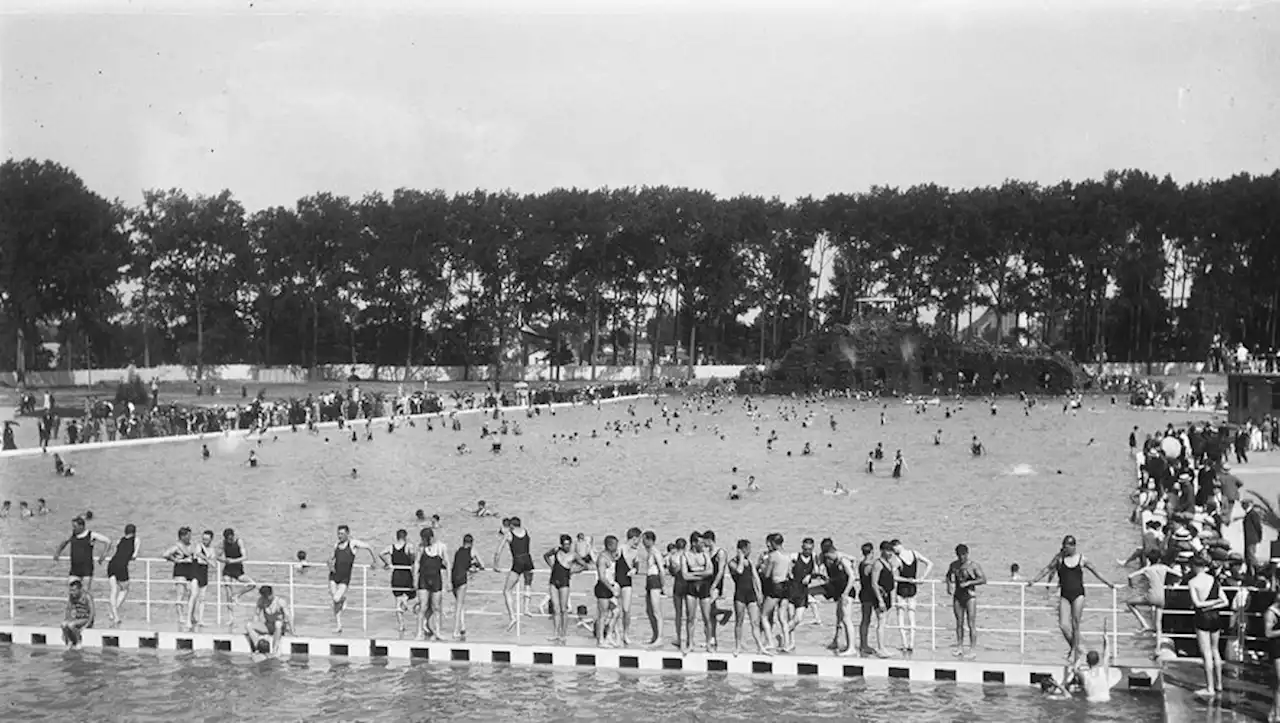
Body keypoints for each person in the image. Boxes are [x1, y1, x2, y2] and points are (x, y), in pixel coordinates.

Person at [1026, 535, 1118, 663]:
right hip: (1064, 594)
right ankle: (1076, 648)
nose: (1065, 549)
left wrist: (1109, 584)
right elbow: (1047, 569)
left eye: (1067, 547)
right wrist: (1034, 581)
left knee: (1075, 625)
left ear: (1073, 546)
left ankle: (1074, 652)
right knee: (1063, 625)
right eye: (1063, 547)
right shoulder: (1059, 559)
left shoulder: (1081, 559)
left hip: (1078, 594)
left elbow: (1096, 571)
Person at [1188, 555, 1228, 698]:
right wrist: (1214, 602)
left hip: (1202, 617)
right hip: (1216, 617)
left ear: (1193, 566)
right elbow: (1225, 601)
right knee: (1215, 650)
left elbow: (1197, 604)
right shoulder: (1213, 580)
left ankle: (1209, 687)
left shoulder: (1193, 582)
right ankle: (1219, 684)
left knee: (1206, 653)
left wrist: (1206, 605)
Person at [328, 525, 378, 634]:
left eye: (341, 533)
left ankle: (343, 599)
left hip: (345, 577)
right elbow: (331, 558)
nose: (339, 536)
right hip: (333, 575)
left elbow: (369, 547)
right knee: (334, 601)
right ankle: (339, 625)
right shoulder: (336, 545)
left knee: (337, 599)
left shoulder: (352, 544)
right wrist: (329, 564)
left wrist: (374, 561)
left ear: (347, 534)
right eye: (338, 533)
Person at [891, 539, 933, 655]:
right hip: (913, 587)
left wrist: (905, 579)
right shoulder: (914, 554)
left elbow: (892, 576)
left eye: (894, 550)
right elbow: (930, 563)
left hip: (901, 589)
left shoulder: (898, 560)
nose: (894, 553)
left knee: (901, 615)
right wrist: (922, 578)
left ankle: (904, 643)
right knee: (911, 615)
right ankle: (912, 644)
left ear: (897, 546)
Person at [728, 538, 770, 656]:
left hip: (751, 594)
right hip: (740, 594)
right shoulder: (732, 563)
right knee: (739, 621)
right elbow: (740, 571)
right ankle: (738, 647)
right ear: (742, 550)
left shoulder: (750, 562)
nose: (750, 551)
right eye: (748, 549)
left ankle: (760, 647)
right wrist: (740, 557)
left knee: (755, 622)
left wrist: (759, 593)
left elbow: (755, 578)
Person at [543, 534, 587, 644]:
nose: (567, 546)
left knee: (564, 609)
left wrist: (574, 571)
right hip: (553, 580)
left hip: (564, 581)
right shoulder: (556, 551)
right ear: (561, 544)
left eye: (568, 544)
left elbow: (584, 565)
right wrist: (551, 565)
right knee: (556, 609)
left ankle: (563, 634)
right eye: (565, 544)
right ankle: (556, 633)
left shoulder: (573, 555)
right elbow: (546, 556)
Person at [945, 543, 986, 658]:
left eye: (963, 555)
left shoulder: (973, 566)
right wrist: (949, 586)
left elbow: (983, 579)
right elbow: (948, 575)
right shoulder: (954, 565)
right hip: (958, 595)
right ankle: (959, 647)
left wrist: (969, 582)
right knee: (959, 623)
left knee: (971, 623)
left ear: (967, 554)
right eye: (959, 555)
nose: (961, 557)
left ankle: (972, 649)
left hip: (970, 596)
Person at [53, 516, 111, 592]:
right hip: (74, 569)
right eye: (73, 526)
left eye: (75, 526)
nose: (73, 528)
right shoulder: (72, 535)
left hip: (86, 569)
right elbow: (64, 543)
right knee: (72, 592)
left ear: (81, 526)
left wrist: (104, 554)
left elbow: (108, 541)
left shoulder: (91, 535)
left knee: (85, 592)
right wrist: (57, 553)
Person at [498, 516, 535, 630]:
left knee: (507, 590)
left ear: (512, 526)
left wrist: (495, 564)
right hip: (528, 559)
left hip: (518, 561)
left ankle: (512, 617)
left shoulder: (509, 534)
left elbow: (498, 550)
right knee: (527, 584)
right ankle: (526, 609)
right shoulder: (525, 531)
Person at [378, 529, 417, 634]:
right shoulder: (408, 546)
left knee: (397, 601)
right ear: (405, 537)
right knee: (413, 593)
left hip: (396, 574)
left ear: (397, 537)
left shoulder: (391, 547)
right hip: (406, 573)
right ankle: (405, 600)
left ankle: (401, 625)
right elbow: (413, 558)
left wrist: (388, 563)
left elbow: (380, 553)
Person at [1125, 551, 1174, 634]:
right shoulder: (1164, 567)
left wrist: (1131, 584)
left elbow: (1130, 576)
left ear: (1148, 560)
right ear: (1159, 559)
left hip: (1151, 597)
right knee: (1158, 624)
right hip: (1162, 598)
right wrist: (1172, 583)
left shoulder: (1147, 569)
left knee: (1129, 603)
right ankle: (1158, 645)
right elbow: (1179, 574)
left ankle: (1144, 624)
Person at [218, 528, 258, 626]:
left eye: (231, 538)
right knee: (228, 592)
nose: (229, 541)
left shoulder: (239, 541)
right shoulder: (223, 543)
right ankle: (230, 618)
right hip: (227, 569)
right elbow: (217, 556)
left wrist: (233, 560)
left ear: (233, 536)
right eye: (228, 539)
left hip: (237, 568)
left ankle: (237, 595)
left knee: (252, 584)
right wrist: (224, 560)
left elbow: (245, 557)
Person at [162, 527, 199, 630]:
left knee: (192, 593)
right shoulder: (177, 546)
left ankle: (191, 615)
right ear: (182, 536)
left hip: (191, 571)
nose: (190, 537)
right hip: (180, 571)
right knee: (180, 594)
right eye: (188, 536)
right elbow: (165, 554)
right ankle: (181, 616)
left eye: (190, 535)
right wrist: (176, 560)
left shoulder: (192, 545)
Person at [415, 527, 448, 641]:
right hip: (423, 579)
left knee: (436, 607)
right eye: (423, 539)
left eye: (425, 539)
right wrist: (415, 579)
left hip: (436, 579)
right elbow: (417, 563)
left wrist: (448, 581)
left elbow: (448, 563)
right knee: (422, 607)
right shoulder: (421, 547)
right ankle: (419, 632)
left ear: (431, 538)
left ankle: (437, 631)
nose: (424, 541)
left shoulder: (441, 547)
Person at [105, 524, 139, 628]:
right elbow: (134, 555)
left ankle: (114, 615)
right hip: (122, 566)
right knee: (125, 589)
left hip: (112, 564)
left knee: (113, 590)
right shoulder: (136, 540)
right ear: (134, 532)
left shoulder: (120, 540)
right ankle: (113, 613)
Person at [244, 585, 292, 658]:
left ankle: (274, 650)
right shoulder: (261, 601)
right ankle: (258, 648)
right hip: (268, 626)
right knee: (248, 625)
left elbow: (288, 616)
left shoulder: (280, 602)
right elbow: (256, 615)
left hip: (279, 627)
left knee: (278, 623)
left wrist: (292, 629)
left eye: (268, 596)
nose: (267, 598)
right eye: (265, 596)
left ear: (272, 593)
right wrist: (255, 626)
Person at [450, 533, 483, 639]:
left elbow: (459, 563)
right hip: (462, 578)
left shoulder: (458, 551)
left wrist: (470, 565)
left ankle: (463, 626)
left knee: (460, 603)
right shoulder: (472, 550)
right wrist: (475, 566)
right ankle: (455, 631)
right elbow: (482, 564)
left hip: (453, 577)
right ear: (472, 543)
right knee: (459, 606)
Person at [635, 530, 664, 646]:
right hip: (649, 579)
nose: (642, 542)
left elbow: (661, 569)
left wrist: (662, 585)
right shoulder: (649, 552)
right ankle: (654, 635)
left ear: (649, 540)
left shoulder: (655, 552)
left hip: (655, 580)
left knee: (656, 611)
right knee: (649, 610)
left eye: (644, 539)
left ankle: (660, 637)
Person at [61, 580, 94, 649]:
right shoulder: (72, 596)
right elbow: (68, 609)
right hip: (77, 618)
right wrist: (67, 620)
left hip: (86, 618)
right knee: (63, 624)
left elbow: (92, 612)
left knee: (71, 625)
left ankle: (78, 641)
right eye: (71, 590)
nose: (72, 592)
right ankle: (70, 641)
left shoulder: (87, 597)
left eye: (74, 590)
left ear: (80, 589)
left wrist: (87, 624)